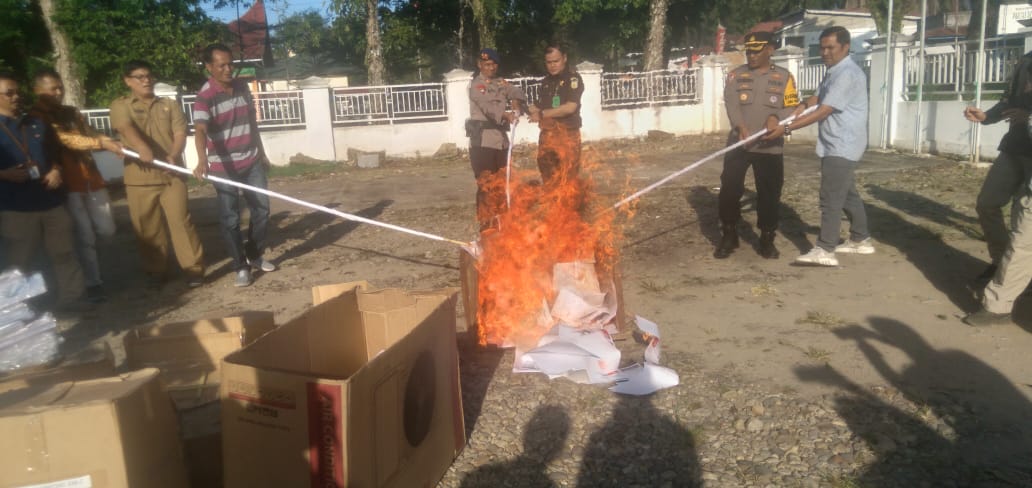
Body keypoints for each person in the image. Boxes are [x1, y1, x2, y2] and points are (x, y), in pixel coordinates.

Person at [779, 26, 872, 267]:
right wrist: (800, 107)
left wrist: (787, 129)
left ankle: (825, 249)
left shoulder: (847, 74)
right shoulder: (834, 71)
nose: (825, 53)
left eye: (830, 47)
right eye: (822, 48)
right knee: (847, 193)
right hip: (836, 142)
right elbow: (818, 98)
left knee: (830, 196)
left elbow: (824, 110)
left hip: (842, 144)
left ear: (846, 47)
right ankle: (860, 239)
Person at [110, 60, 206, 288]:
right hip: (140, 178)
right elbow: (124, 127)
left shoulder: (169, 104)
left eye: (149, 76)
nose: (146, 80)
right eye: (140, 77)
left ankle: (194, 269)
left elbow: (180, 133)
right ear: (128, 81)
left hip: (171, 175)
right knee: (148, 227)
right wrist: (142, 147)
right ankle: (156, 271)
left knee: (182, 222)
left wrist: (173, 154)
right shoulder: (120, 105)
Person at [30, 69, 121, 302]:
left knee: (107, 230)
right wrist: (100, 143)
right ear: (37, 91)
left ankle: (92, 272)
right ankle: (93, 283)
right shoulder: (36, 117)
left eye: (60, 87)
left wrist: (106, 140)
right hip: (68, 183)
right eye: (52, 88)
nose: (58, 92)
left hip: (91, 178)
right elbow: (66, 139)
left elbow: (90, 133)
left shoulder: (71, 112)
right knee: (84, 235)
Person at [0, 71, 86, 310]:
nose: (16, 97)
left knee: (64, 253)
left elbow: (55, 154)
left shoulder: (35, 123)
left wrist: (57, 170)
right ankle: (19, 309)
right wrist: (4, 174)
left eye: (18, 92)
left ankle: (73, 299)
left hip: (50, 201)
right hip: (16, 207)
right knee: (19, 262)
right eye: (9, 93)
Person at [192, 43, 274, 288]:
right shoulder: (204, 97)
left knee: (262, 210)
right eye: (222, 65)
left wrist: (262, 153)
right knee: (230, 218)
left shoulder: (242, 87)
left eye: (230, 64)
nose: (228, 69)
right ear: (209, 67)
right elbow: (200, 130)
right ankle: (240, 267)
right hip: (222, 167)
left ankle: (254, 255)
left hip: (251, 160)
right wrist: (202, 159)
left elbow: (252, 122)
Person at [714, 31, 800, 259]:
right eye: (749, 51)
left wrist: (776, 118)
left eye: (756, 51)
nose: (751, 55)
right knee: (729, 190)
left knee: (769, 194)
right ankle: (729, 234)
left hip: (769, 147)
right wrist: (740, 127)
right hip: (739, 144)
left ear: (770, 50)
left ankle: (766, 238)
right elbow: (732, 104)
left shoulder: (785, 77)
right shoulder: (735, 75)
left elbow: (791, 106)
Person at [961, 49, 1032, 283]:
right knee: (987, 203)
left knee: (1023, 220)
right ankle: (1001, 263)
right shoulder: (1026, 59)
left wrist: (1029, 116)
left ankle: (1016, 277)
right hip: (1015, 145)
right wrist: (986, 116)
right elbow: (1008, 99)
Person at [467, 48, 526, 230]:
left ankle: (503, 224)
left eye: (493, 64)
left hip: (501, 142)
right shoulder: (476, 86)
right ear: (479, 65)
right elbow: (488, 108)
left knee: (503, 183)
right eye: (487, 64)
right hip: (483, 143)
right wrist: (506, 115)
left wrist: (515, 101)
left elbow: (516, 90)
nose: (490, 68)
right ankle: (486, 226)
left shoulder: (501, 82)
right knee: (486, 185)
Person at [528, 45, 584, 185]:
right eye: (549, 62)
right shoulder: (546, 82)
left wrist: (542, 114)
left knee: (568, 178)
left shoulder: (573, 79)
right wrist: (521, 107)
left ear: (564, 58)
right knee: (548, 176)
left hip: (567, 135)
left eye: (556, 61)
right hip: (547, 135)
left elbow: (570, 107)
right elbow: (539, 105)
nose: (552, 65)